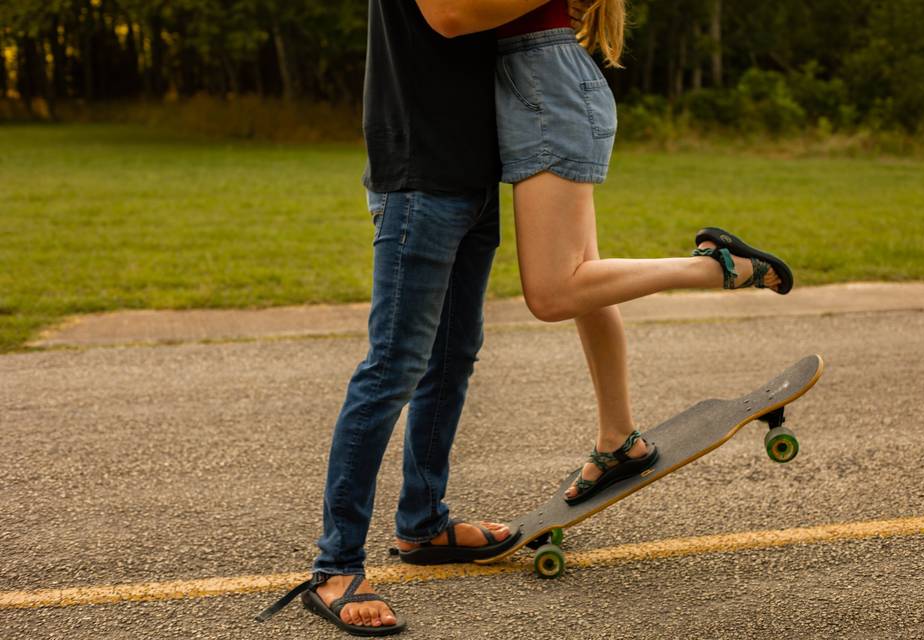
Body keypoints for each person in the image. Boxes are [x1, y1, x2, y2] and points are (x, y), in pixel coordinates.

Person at [256, 0, 569, 636]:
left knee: (452, 359)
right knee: (393, 367)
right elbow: (451, 14)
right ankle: (335, 565)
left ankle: (424, 524)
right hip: (420, 175)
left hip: (474, 174)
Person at [495, 0, 793, 505]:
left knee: (552, 294)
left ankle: (716, 266)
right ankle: (619, 441)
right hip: (541, 83)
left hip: (546, 88)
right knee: (586, 284)